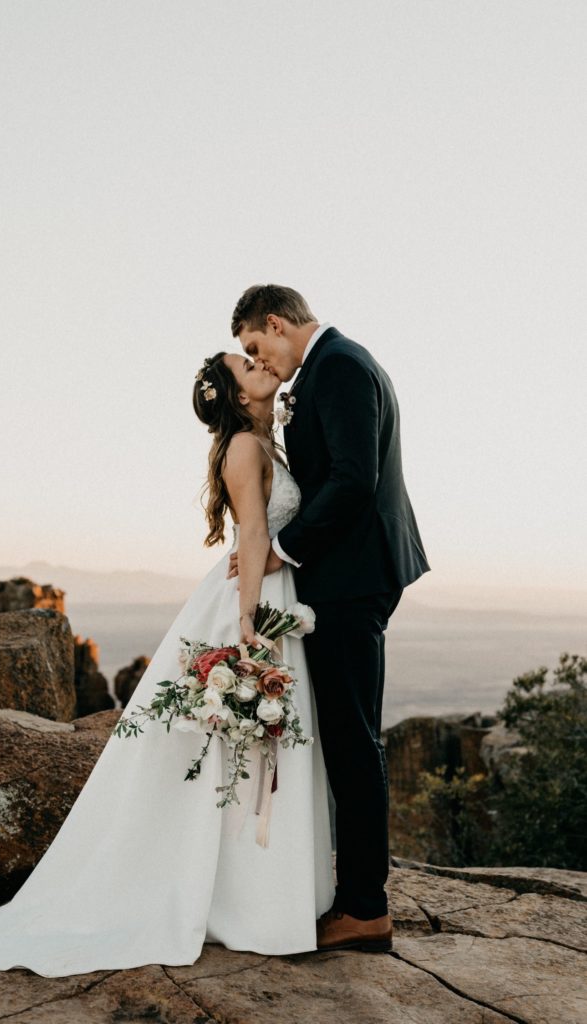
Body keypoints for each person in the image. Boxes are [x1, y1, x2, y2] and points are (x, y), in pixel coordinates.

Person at [0, 351, 336, 977]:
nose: (258, 364)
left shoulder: (264, 441)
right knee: (242, 748)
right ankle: (248, 902)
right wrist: (248, 626)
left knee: (255, 747)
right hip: (253, 601)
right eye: (245, 365)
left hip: (271, 591)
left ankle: (267, 895)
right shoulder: (246, 448)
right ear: (237, 395)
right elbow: (252, 534)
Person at [228, 284, 431, 953]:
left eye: (256, 345)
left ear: (276, 323)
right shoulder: (336, 364)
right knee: (347, 736)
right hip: (352, 575)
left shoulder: (339, 366)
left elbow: (352, 478)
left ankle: (365, 907)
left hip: (350, 579)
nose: (261, 360)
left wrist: (281, 550)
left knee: (352, 741)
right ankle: (355, 897)